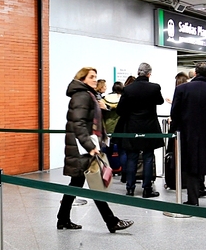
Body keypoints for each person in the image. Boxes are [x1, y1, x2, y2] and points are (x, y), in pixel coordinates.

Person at [57, 67, 133, 233]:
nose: (94, 79)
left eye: (95, 77)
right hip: (83, 148)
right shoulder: (83, 96)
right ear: (82, 79)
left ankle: (62, 219)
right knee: (96, 183)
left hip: (83, 147)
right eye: (91, 77)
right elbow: (78, 123)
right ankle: (111, 221)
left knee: (76, 183)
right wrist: (90, 147)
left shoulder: (87, 95)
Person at [169, 62, 206, 208]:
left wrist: (175, 130)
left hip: (189, 134)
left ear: (195, 73)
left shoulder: (182, 89)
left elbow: (175, 113)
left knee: (191, 167)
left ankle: (193, 200)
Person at [115, 62, 165, 197]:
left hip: (132, 127)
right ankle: (147, 188)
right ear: (149, 74)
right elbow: (160, 101)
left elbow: (120, 110)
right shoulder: (154, 88)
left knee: (132, 158)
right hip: (150, 127)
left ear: (138, 72)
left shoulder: (128, 89)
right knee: (148, 157)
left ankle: (130, 188)